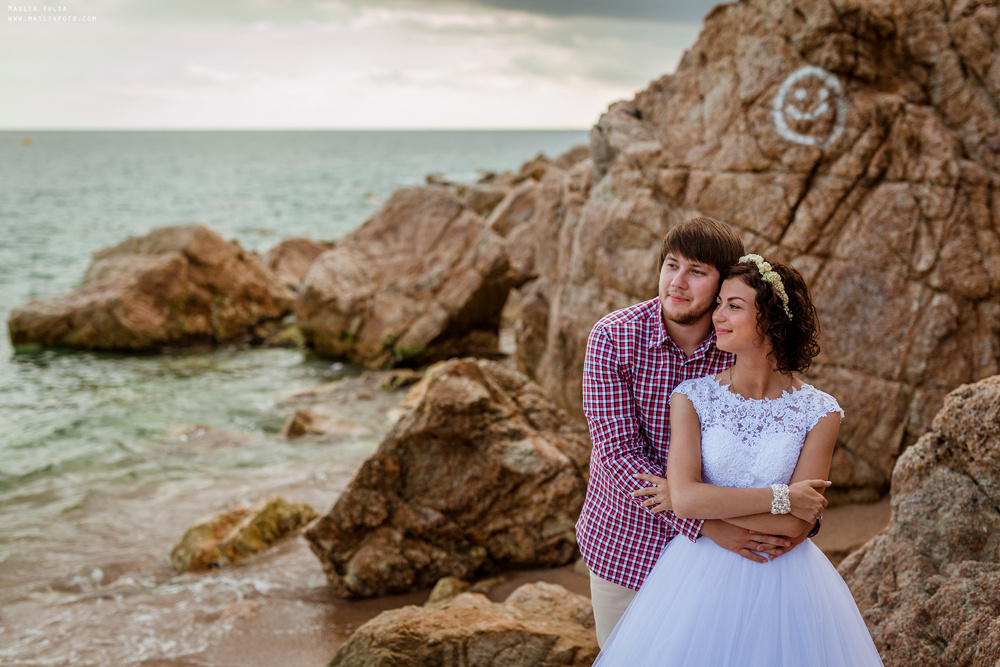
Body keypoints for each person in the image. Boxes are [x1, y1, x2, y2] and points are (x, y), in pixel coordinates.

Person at [593, 255, 883, 665]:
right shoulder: (692, 396)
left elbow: (793, 523)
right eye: (719, 304)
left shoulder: (821, 411)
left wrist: (773, 508)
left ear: (770, 320)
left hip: (788, 578)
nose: (717, 316)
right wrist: (783, 496)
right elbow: (688, 500)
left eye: (733, 306)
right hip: (695, 576)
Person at [575, 218, 816, 647]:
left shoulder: (739, 347)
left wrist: (797, 522)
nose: (677, 283)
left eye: (697, 272)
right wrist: (704, 524)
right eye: (671, 265)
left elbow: (782, 435)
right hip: (628, 548)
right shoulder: (613, 337)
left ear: (724, 285)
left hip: (728, 563)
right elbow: (618, 454)